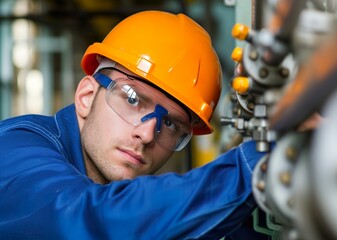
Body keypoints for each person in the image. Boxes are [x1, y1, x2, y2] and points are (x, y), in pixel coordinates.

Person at [0, 11, 268, 239]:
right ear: (86, 97)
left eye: (171, 124)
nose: (148, 133)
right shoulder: (14, 148)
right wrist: (253, 167)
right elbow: (90, 218)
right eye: (132, 99)